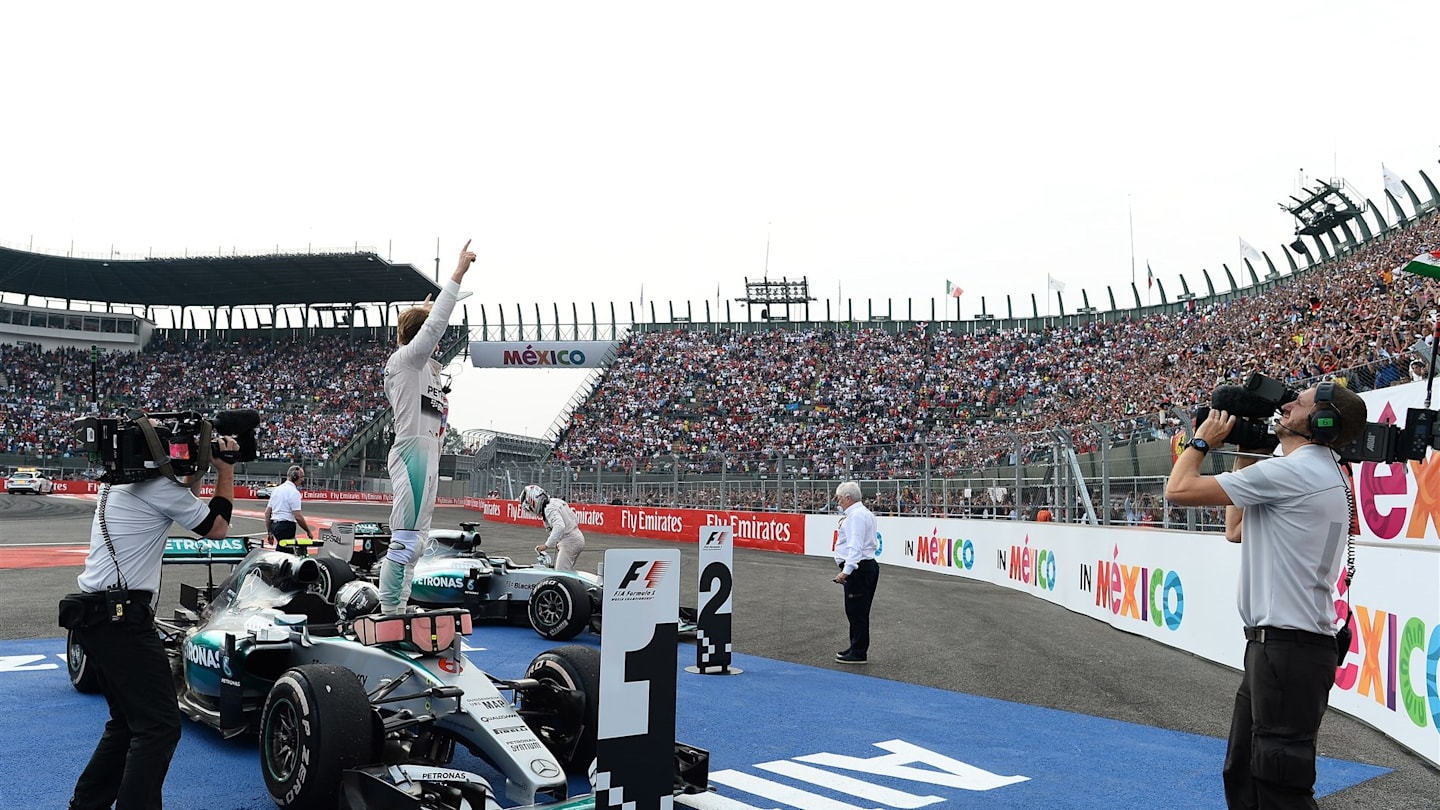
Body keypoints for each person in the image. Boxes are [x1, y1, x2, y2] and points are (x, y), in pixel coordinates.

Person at [1165, 381, 1367, 810]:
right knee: (1243, 772)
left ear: (1322, 423)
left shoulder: (1297, 471)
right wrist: (1242, 451)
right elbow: (1236, 530)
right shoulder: (1317, 468)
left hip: (1287, 649)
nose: (1287, 404)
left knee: (1280, 787)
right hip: (1280, 649)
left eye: (1301, 403)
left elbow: (1177, 491)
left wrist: (1203, 440)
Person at [67, 433, 238, 810]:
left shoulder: (116, 483)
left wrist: (192, 469)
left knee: (127, 722)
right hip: (122, 621)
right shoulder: (160, 488)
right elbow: (218, 528)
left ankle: (86, 805)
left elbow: (179, 489)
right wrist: (224, 469)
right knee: (159, 726)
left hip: (98, 617)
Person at [378, 240, 475, 614]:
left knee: (417, 540)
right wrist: (457, 273)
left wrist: (424, 308)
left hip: (428, 453)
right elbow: (432, 330)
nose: (436, 344)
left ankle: (400, 607)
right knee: (405, 539)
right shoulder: (406, 361)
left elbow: (428, 329)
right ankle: (389, 611)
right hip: (412, 452)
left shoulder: (426, 369)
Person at [831, 480, 879, 665]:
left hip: (859, 569)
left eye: (840, 498)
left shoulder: (856, 516)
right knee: (857, 611)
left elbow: (855, 545)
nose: (838, 501)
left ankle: (858, 651)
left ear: (848, 498)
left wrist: (847, 571)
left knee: (856, 611)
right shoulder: (863, 513)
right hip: (865, 567)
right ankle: (856, 647)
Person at [520, 484, 586, 571]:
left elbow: (559, 526)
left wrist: (546, 545)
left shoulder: (548, 509)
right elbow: (574, 519)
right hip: (576, 536)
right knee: (568, 571)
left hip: (570, 541)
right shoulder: (555, 501)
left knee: (561, 573)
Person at [263, 465, 313, 552]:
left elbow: (267, 513)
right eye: (301, 477)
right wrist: (308, 531)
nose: (302, 480)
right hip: (286, 526)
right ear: (294, 477)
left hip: (275, 525)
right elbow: (298, 516)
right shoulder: (294, 492)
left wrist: (269, 532)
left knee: (281, 550)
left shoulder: (276, 490)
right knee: (288, 554)